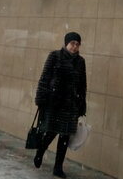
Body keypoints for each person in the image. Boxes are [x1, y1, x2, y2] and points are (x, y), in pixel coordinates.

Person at [33, 32, 87, 178]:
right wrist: (41, 98)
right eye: (72, 43)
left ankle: (58, 167)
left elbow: (82, 85)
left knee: (64, 137)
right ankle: (40, 152)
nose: (74, 47)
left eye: (77, 44)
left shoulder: (80, 62)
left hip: (71, 105)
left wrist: (82, 104)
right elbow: (44, 78)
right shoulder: (55, 56)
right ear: (66, 43)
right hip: (55, 102)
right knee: (50, 132)